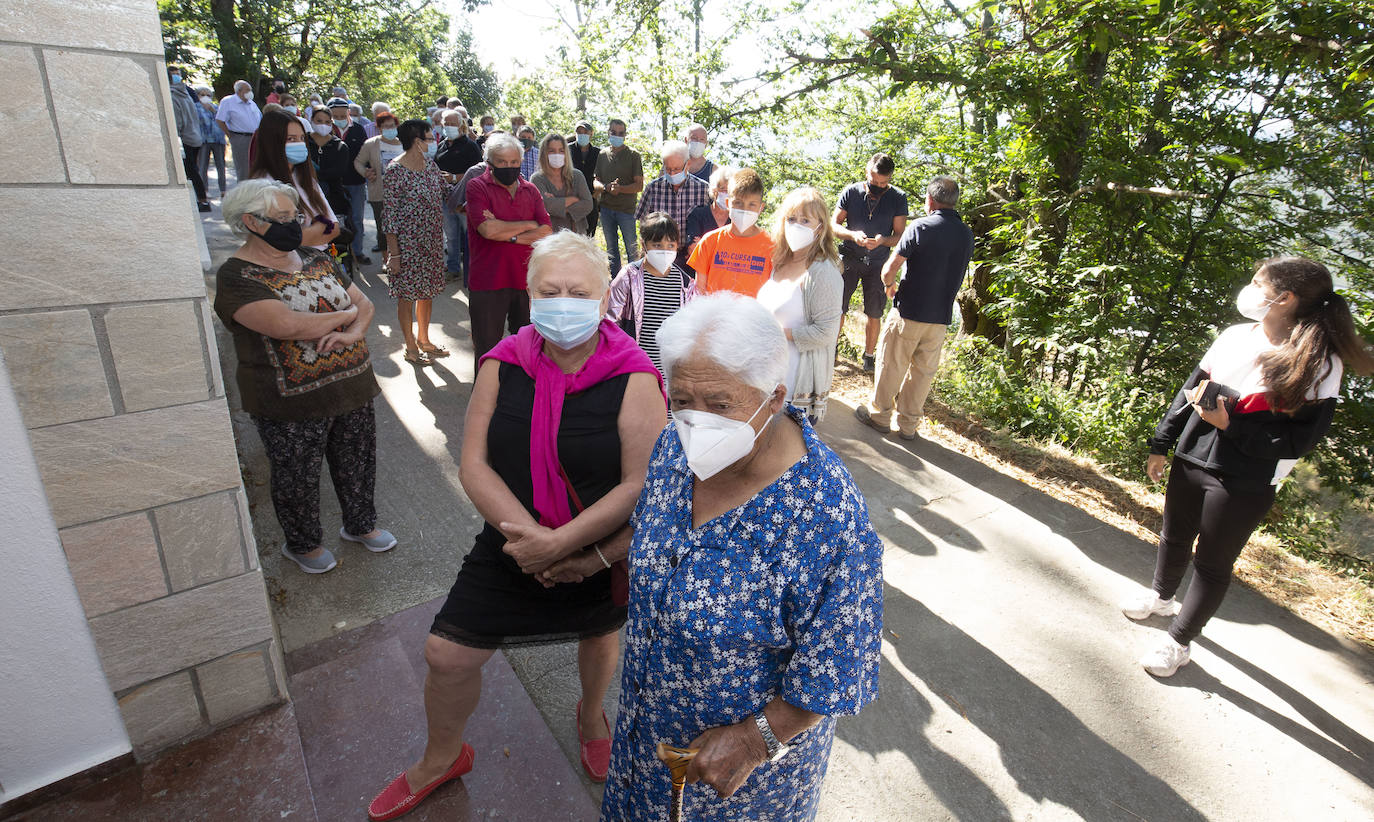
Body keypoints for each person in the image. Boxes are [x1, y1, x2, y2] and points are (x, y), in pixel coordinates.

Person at [365, 231, 667, 821]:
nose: (563, 302)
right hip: (511, 540)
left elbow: (640, 483)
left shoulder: (633, 375)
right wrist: (530, 540)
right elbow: (473, 464)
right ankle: (442, 757)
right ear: (528, 295)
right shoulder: (502, 363)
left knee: (599, 633)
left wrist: (562, 545)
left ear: (604, 298)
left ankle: (591, 715)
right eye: (549, 291)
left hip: (599, 547)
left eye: (578, 291)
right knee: (446, 654)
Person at [598, 292, 883, 822]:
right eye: (682, 399)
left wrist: (755, 741)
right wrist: (592, 557)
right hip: (644, 742)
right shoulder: (674, 445)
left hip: (737, 779)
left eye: (720, 403)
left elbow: (838, 666)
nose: (696, 420)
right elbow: (652, 529)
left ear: (774, 398)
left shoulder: (825, 514)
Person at [1124, 257, 1374, 677]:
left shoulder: (1321, 363)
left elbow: (1298, 442)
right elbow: (1189, 389)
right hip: (1191, 455)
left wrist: (1231, 425)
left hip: (1246, 477)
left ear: (1284, 298)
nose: (1250, 289)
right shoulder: (1235, 336)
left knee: (1212, 562)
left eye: (1259, 283)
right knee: (1174, 535)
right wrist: (1162, 443)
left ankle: (1178, 642)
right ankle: (1161, 599)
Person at [214, 179, 396, 575]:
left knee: (357, 461)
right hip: (289, 401)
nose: (294, 225)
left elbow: (365, 304)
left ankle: (361, 525)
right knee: (296, 475)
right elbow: (287, 325)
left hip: (351, 384)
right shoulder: (237, 276)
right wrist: (345, 315)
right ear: (251, 222)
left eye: (295, 216)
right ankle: (303, 544)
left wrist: (353, 332)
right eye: (281, 218)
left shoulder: (315, 257)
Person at [854, 175, 973, 440]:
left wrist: (889, 285)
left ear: (930, 200)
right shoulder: (966, 234)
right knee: (922, 374)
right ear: (954, 202)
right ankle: (908, 426)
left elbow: (890, 268)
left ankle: (880, 417)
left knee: (891, 365)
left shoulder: (921, 227)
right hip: (940, 318)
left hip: (909, 311)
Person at [465, 133, 553, 368]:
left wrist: (507, 233)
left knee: (527, 349)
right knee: (487, 350)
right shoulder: (477, 186)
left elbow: (546, 232)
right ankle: (485, 392)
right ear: (489, 162)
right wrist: (529, 224)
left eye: (514, 162)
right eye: (502, 162)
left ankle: (520, 391)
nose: (509, 167)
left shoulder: (531, 190)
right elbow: (487, 230)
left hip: (526, 282)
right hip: (488, 282)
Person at [756, 188, 843, 422]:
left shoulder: (823, 271)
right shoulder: (780, 261)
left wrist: (781, 332)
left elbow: (826, 332)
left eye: (805, 220)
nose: (796, 225)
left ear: (820, 228)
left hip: (794, 389)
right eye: (792, 219)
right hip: (764, 380)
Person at [382, 119, 453, 365]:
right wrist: (395, 255)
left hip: (431, 243)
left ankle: (424, 339)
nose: (433, 142)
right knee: (407, 296)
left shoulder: (430, 165)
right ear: (416, 141)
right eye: (430, 138)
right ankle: (410, 346)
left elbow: (448, 193)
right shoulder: (395, 171)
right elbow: (389, 217)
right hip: (406, 247)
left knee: (427, 292)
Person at [832, 153, 909, 371]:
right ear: (867, 171)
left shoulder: (898, 198)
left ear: (890, 178)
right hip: (849, 257)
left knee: (875, 312)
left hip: (878, 263)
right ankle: (831, 349)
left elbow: (900, 236)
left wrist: (883, 240)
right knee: (838, 307)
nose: (878, 186)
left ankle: (869, 357)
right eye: (875, 181)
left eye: (884, 183)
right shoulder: (851, 191)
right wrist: (852, 235)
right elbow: (833, 225)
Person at [606, 212, 696, 377]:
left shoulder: (685, 283)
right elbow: (610, 321)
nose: (664, 251)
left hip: (669, 374)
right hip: (635, 369)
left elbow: (691, 326)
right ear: (644, 244)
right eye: (657, 245)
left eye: (670, 245)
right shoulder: (629, 276)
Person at [246, 111, 342, 252]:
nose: (299, 144)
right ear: (271, 143)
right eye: (291, 139)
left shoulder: (304, 177)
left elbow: (334, 228)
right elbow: (280, 241)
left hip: (317, 257)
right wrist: (320, 227)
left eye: (302, 138)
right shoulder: (263, 185)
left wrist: (304, 234)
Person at [687, 167, 771, 296]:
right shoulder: (709, 241)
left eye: (752, 204)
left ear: (761, 208)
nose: (744, 209)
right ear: (728, 203)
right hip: (714, 309)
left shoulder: (772, 246)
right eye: (738, 203)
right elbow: (699, 293)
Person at [635, 140, 709, 271]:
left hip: (691, 257)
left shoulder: (703, 189)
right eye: (668, 169)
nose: (672, 173)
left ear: (688, 164)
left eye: (676, 169)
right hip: (659, 255)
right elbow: (643, 224)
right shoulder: (653, 188)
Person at [435, 109, 483, 280]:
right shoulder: (441, 145)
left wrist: (454, 177)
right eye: (446, 123)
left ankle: (474, 271)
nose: (449, 127)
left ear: (461, 125)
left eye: (452, 124)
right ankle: (453, 268)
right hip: (445, 197)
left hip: (465, 198)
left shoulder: (470, 146)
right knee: (451, 236)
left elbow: (479, 173)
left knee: (470, 235)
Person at [306, 106, 356, 267]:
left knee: (335, 241)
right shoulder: (303, 142)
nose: (323, 125)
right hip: (307, 199)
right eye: (319, 121)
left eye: (327, 122)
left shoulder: (339, 146)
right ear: (311, 120)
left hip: (334, 199)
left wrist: (315, 173)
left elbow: (338, 172)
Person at [594, 119, 644, 274]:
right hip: (606, 210)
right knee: (611, 250)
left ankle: (635, 280)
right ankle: (616, 281)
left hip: (626, 211)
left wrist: (620, 189)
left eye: (621, 133)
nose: (617, 136)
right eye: (614, 132)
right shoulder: (602, 154)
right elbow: (595, 181)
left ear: (625, 135)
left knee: (632, 249)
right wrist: (606, 187)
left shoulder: (633, 155)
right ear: (608, 133)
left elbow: (639, 186)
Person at [326, 97, 372, 265]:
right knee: (333, 220)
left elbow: (365, 155)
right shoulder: (325, 130)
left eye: (342, 115)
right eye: (335, 116)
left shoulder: (358, 130)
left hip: (356, 181)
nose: (339, 119)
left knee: (357, 219)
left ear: (348, 113)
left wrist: (368, 172)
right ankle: (337, 254)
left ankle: (357, 252)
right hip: (332, 183)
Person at [354, 109, 404, 255]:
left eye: (392, 125)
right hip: (379, 194)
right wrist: (366, 172)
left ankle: (401, 257)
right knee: (383, 229)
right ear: (379, 128)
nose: (389, 129)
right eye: (385, 126)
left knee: (402, 228)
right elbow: (358, 162)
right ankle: (386, 259)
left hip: (403, 194)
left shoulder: (403, 143)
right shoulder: (371, 144)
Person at [530, 133, 593, 234]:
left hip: (577, 234)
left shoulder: (577, 175)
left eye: (561, 151)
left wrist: (556, 204)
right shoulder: (537, 179)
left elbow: (588, 204)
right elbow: (545, 206)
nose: (557, 154)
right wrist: (572, 200)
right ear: (544, 153)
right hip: (550, 235)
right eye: (552, 151)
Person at [167, 67, 210, 212]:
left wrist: (177, 137)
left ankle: (202, 200)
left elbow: (177, 120)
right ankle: (200, 198)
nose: (177, 76)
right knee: (192, 170)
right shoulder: (186, 93)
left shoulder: (174, 95)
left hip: (185, 138)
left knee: (190, 170)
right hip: (195, 136)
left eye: (177, 74)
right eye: (174, 74)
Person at [683, 165, 733, 274]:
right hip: (698, 276)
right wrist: (724, 252)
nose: (727, 194)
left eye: (730, 191)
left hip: (725, 277)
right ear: (714, 190)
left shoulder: (735, 219)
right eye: (723, 189)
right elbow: (692, 249)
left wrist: (704, 245)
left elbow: (737, 254)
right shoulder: (698, 214)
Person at [216, 79, 262, 185]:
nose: (250, 92)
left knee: (256, 167)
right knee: (244, 169)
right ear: (239, 91)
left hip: (255, 138)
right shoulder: (228, 101)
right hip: (240, 138)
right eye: (247, 90)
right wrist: (231, 136)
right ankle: (243, 190)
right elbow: (220, 120)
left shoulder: (252, 104)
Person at [569, 120, 601, 237]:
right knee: (571, 236)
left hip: (591, 200)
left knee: (589, 236)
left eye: (585, 132)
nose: (582, 134)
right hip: (571, 200)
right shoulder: (567, 150)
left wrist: (595, 195)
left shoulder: (598, 153)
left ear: (591, 134)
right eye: (579, 132)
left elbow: (601, 176)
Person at [195, 86, 227, 197]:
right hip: (203, 140)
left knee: (221, 166)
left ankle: (223, 190)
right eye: (202, 95)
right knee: (203, 166)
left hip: (218, 140)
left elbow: (223, 121)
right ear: (198, 96)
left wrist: (213, 111)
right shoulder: (195, 107)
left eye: (208, 95)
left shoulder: (216, 107)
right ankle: (204, 190)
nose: (205, 97)